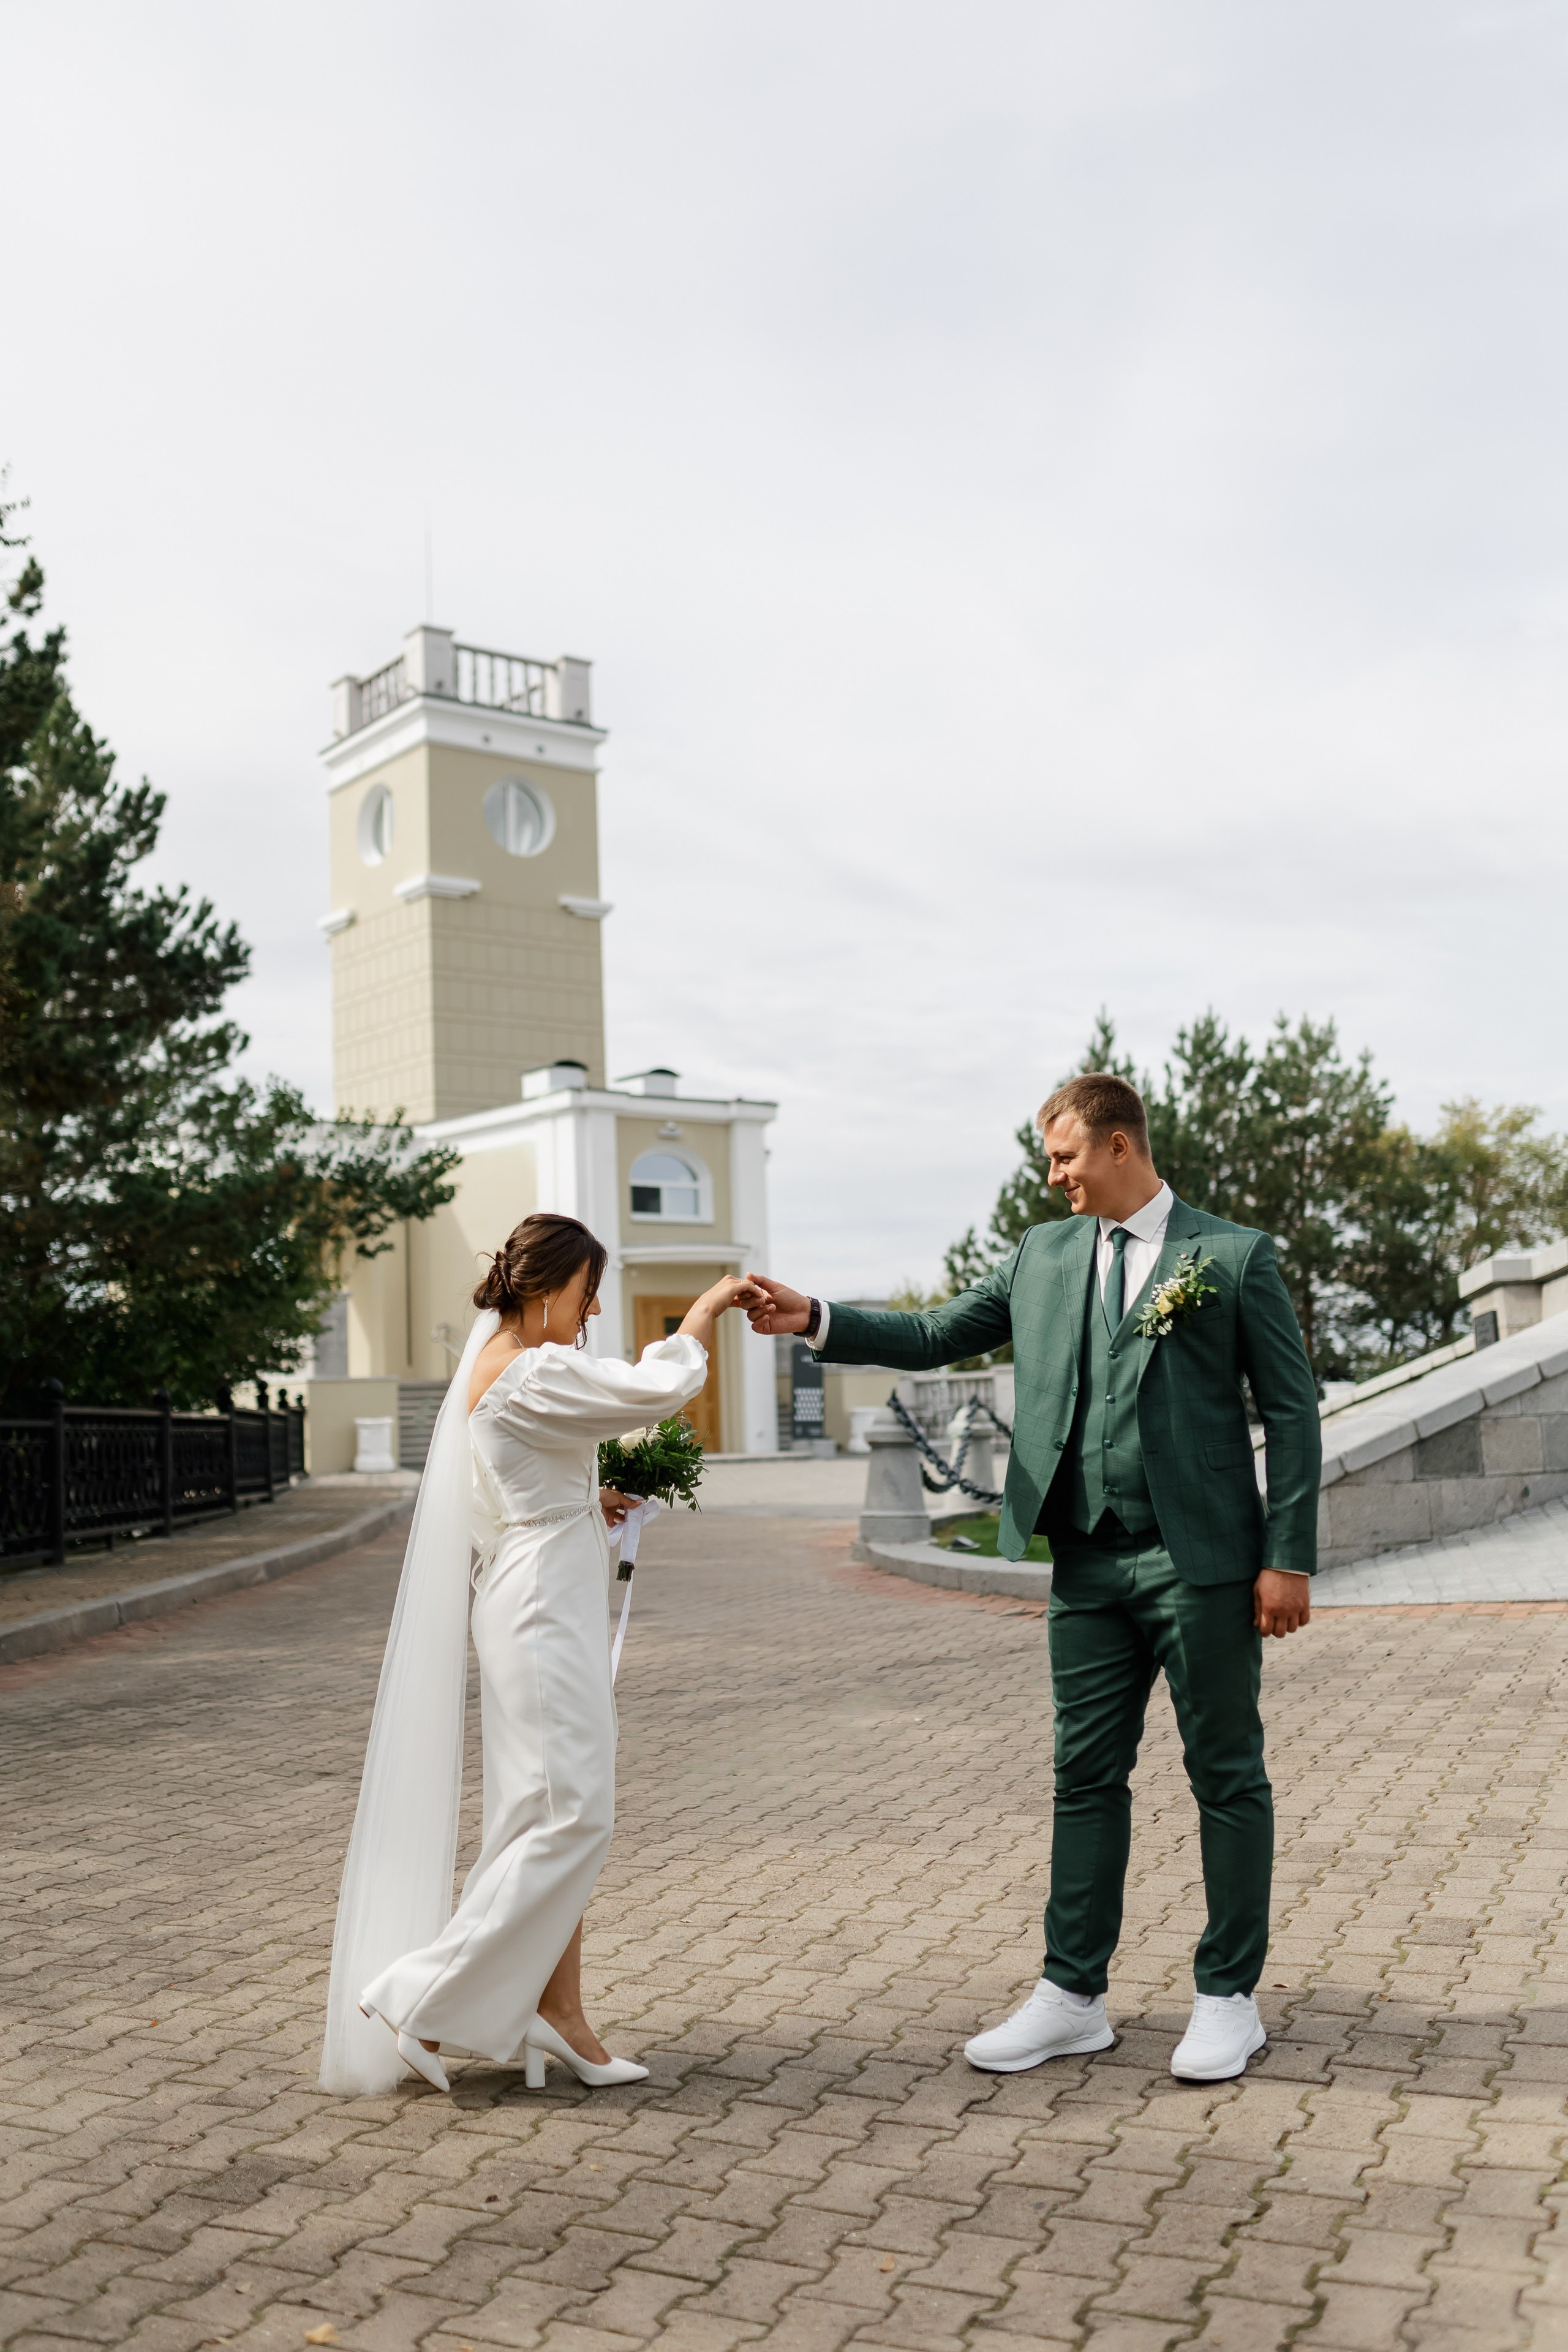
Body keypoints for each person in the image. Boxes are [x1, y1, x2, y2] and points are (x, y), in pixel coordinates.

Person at [744, 1072, 1321, 2084]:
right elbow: (936, 1333)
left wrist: (1288, 1557)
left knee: (1226, 1775)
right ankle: (1072, 1997)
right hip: (1084, 1562)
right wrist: (815, 1318)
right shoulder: (1041, 1254)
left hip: (1202, 1563)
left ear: (1119, 1146)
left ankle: (1229, 1996)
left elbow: (1293, 1408)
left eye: (1064, 1156)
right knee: (1083, 1776)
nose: (1053, 1176)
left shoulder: (1232, 1256)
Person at [320, 1212, 756, 2097]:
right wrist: (702, 1315)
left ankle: (557, 2015)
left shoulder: (502, 1367)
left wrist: (588, 1498)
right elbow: (653, 1391)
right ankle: (422, 1994)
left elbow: (512, 1492)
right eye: (588, 1294)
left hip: (534, 1595)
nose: (592, 1312)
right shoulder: (528, 1369)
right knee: (574, 1815)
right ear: (550, 1287)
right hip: (541, 1612)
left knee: (537, 1817)